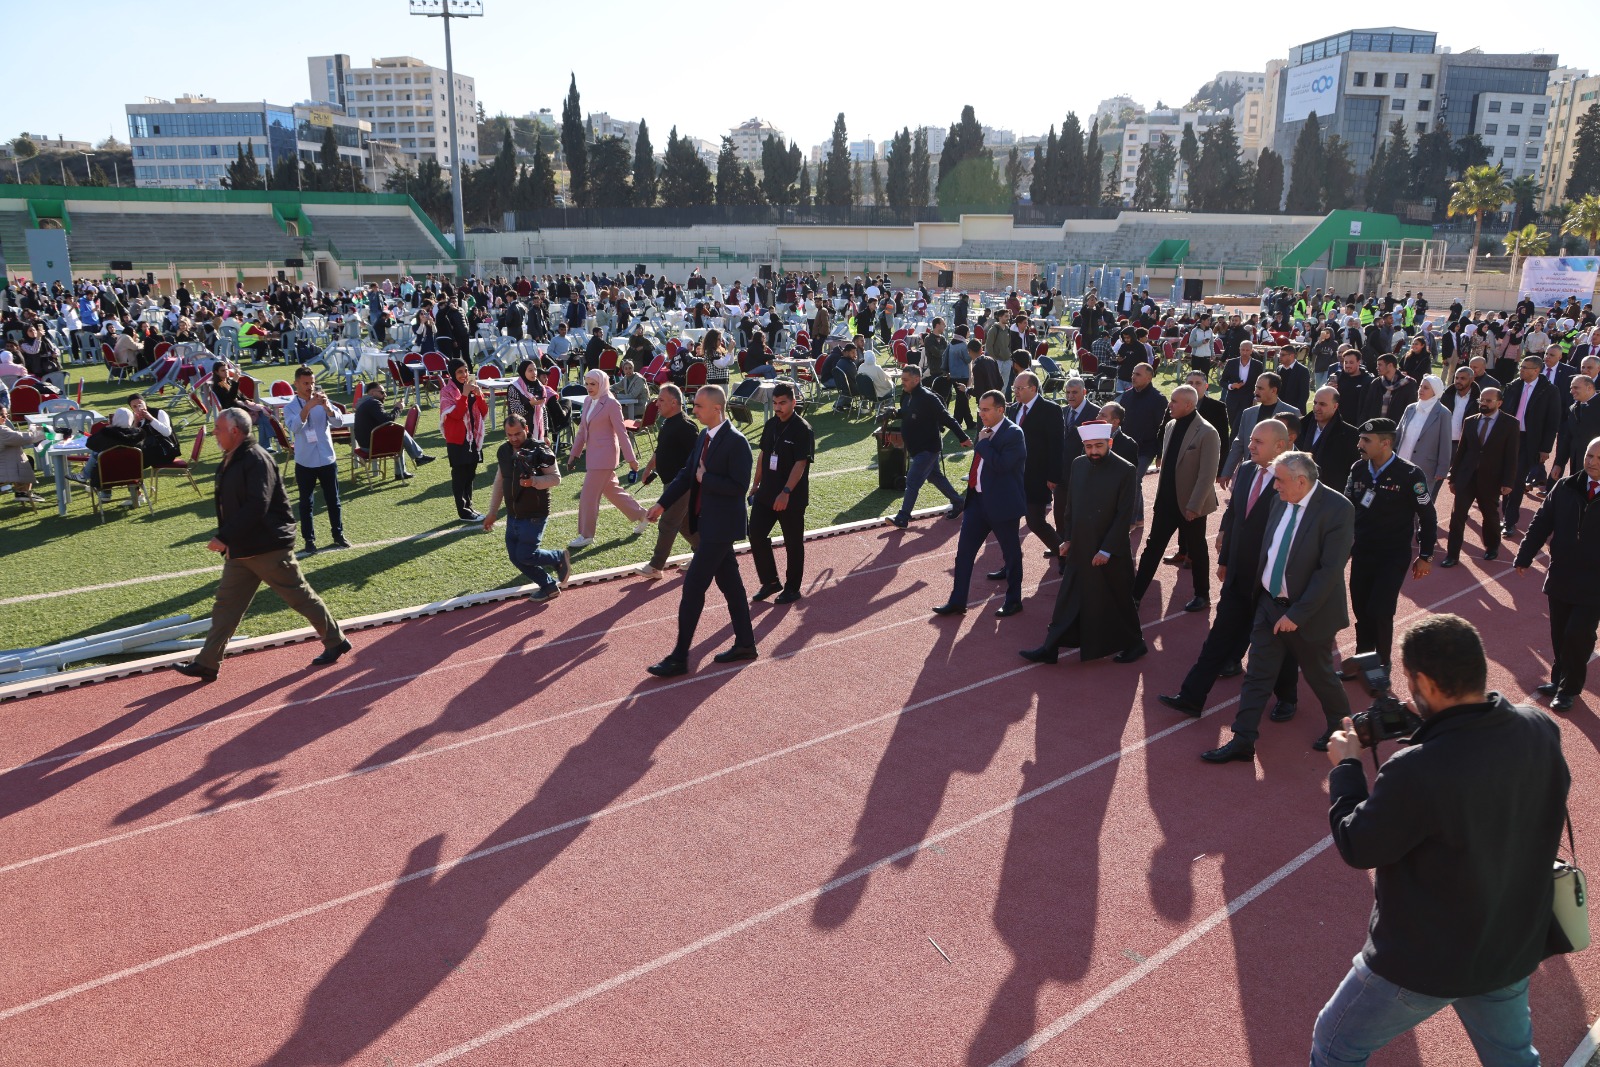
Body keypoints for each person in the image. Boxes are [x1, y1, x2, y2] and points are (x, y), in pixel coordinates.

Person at [1311, 615, 1569, 1066]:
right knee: (1514, 1059)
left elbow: (1359, 845)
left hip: (1424, 961)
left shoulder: (1417, 769)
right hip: (1510, 944)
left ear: (1425, 682)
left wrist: (1347, 768)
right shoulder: (1539, 728)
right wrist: (1433, 726)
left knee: (1335, 1044)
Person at [173, 409, 350, 683]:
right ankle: (207, 663)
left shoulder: (256, 459)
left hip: (267, 547)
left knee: (298, 596)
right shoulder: (233, 456)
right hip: (242, 550)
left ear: (235, 431)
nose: (214, 433)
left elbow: (258, 504)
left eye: (218, 428)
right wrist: (230, 538)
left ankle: (335, 640)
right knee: (226, 606)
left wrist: (225, 536)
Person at [1201, 452, 1355, 763]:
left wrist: (1296, 615)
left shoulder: (1338, 508)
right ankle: (1243, 739)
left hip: (1307, 614)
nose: (1275, 487)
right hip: (1269, 605)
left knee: (1320, 674)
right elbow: (1269, 549)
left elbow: (1330, 571)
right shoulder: (1280, 500)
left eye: (1280, 481)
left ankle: (1342, 730)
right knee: (1257, 675)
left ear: (1301, 481)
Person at [1159, 419, 1300, 718]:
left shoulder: (1297, 479)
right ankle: (1191, 696)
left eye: (1258, 442)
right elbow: (1236, 512)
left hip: (1273, 580)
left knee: (1278, 642)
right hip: (1239, 573)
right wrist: (1225, 560)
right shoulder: (1247, 469)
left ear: (1280, 445)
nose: (1250, 446)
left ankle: (1287, 698)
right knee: (1218, 637)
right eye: (1250, 440)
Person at [644, 385, 757, 677]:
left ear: (716, 409)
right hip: (706, 524)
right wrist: (661, 503)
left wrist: (707, 478)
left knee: (693, 587)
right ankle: (746, 643)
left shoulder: (737, 442)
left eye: (699, 406)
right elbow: (686, 475)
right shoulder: (703, 437)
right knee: (731, 586)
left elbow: (738, 487)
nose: (694, 410)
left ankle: (680, 657)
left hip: (721, 528)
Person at [1019, 420, 1145, 663]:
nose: (1093, 452)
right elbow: (1071, 507)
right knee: (1068, 596)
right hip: (1080, 545)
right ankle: (1051, 647)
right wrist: (1067, 539)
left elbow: (1124, 515)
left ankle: (1136, 644)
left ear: (1109, 443)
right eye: (1088, 447)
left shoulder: (1126, 470)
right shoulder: (1078, 464)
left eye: (1099, 446)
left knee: (1118, 600)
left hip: (1110, 550)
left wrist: (1106, 550)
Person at [1341, 418, 1437, 675]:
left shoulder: (1410, 474)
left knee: (1380, 611)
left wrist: (1426, 554)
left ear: (1385, 443)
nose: (1359, 444)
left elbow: (1427, 516)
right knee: (1361, 609)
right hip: (1362, 552)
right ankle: (1363, 662)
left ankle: (1381, 667)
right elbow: (1347, 507)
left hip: (1392, 555)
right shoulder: (1359, 468)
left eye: (1366, 440)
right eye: (1360, 438)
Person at [1514, 438, 1600, 711]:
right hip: (1562, 573)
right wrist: (1525, 555)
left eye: (1598, 458)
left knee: (1579, 633)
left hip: (1594, 582)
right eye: (1589, 455)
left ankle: (1569, 689)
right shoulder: (1565, 486)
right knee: (1560, 632)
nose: (1591, 462)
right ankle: (1559, 678)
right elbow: (1541, 521)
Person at [933, 390, 1027, 619]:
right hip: (977, 502)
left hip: (1003, 505)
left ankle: (1014, 600)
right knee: (964, 553)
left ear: (1000, 410)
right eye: (980, 409)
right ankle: (957, 601)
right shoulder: (984, 431)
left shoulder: (1014, 434)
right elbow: (980, 465)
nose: (981, 414)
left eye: (986, 410)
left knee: (1011, 555)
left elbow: (1003, 465)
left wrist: (982, 445)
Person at [1131, 386, 1220, 612]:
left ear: (1189, 405)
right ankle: (1135, 595)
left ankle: (1202, 595)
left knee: (1197, 549)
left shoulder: (1207, 432)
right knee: (1152, 548)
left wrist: (1194, 506)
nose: (1169, 405)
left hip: (1192, 505)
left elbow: (1207, 475)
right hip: (1166, 503)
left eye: (1174, 401)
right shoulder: (1170, 425)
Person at [482, 413, 570, 603]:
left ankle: (558, 557)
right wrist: (493, 512)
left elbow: (556, 478)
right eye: (509, 434)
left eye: (518, 434)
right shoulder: (503, 451)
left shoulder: (541, 450)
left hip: (534, 514)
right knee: (516, 557)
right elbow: (500, 481)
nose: (514, 438)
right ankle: (548, 586)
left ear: (526, 430)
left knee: (526, 555)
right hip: (513, 514)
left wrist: (534, 481)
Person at [567, 368, 650, 549]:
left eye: (593, 384)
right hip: (593, 457)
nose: (589, 387)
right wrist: (574, 454)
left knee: (588, 497)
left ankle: (586, 535)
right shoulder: (588, 401)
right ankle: (643, 515)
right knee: (613, 491)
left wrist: (631, 460)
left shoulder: (612, 404)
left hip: (604, 458)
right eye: (587, 383)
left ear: (602, 383)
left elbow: (622, 434)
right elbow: (582, 431)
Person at [747, 382, 813, 605]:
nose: (778, 407)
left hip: (791, 497)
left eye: (783, 403)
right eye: (775, 403)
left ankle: (792, 588)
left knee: (793, 543)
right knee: (755, 534)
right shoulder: (770, 425)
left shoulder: (803, 429)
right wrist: (756, 484)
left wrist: (785, 492)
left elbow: (800, 464)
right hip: (766, 492)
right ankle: (770, 581)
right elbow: (764, 456)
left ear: (794, 402)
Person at [1442, 387, 1518, 568]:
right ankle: (1452, 555)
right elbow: (1461, 452)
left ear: (1499, 403)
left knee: (1490, 516)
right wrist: (1453, 477)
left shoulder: (1510, 424)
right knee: (1457, 516)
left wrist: (1508, 482)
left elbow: (1511, 455)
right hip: (1466, 478)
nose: (1483, 403)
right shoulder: (1469, 421)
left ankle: (1492, 546)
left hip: (1491, 480)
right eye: (1481, 400)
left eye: (1488, 401)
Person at [890, 362, 972, 528]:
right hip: (918, 447)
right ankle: (959, 502)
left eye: (906, 379)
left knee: (912, 480)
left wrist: (962, 437)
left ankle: (903, 517)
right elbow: (906, 412)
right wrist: (893, 413)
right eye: (902, 379)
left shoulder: (928, 398)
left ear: (917, 379)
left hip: (927, 448)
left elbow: (948, 419)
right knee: (935, 476)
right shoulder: (908, 395)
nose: (902, 382)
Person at [637, 384, 700, 579]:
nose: (657, 404)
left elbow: (697, 458)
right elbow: (660, 449)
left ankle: (656, 566)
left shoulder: (687, 427)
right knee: (684, 525)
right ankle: (705, 554)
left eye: (661, 400)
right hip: (670, 484)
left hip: (682, 485)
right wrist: (648, 468)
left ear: (674, 402)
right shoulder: (666, 423)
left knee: (667, 522)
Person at [283, 365, 348, 551]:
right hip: (305, 462)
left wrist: (327, 407)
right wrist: (308, 408)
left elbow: (339, 422)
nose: (310, 387)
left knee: (333, 500)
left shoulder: (322, 401)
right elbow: (294, 428)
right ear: (296, 384)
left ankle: (338, 535)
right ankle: (309, 541)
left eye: (312, 383)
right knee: (306, 503)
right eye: (305, 383)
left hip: (327, 458)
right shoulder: (290, 408)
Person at [1002, 370, 1063, 563]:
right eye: (1015, 388)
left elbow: (1056, 445)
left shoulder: (1051, 410)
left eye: (1020, 388)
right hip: (1012, 476)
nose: (1016, 392)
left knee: (1035, 522)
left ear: (1033, 388)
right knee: (1008, 524)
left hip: (1036, 476)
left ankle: (1066, 556)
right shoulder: (1012, 409)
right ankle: (1009, 565)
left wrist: (1053, 475)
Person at [1499, 355, 1562, 537]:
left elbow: (1552, 422)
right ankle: (1505, 515)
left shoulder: (1549, 391)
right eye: (1521, 366)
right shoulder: (1513, 386)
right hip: (1509, 437)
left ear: (1536, 370)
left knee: (1517, 480)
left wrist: (1545, 449)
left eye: (1525, 367)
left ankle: (1509, 521)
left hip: (1529, 441)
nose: (1521, 370)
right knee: (1505, 476)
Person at [1220, 371, 1296, 485]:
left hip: (1278, 477)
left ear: (1274, 390)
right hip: (1250, 473)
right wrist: (1227, 471)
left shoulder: (1292, 413)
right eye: (1256, 387)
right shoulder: (1248, 413)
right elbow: (1239, 444)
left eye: (1260, 388)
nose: (1256, 392)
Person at [439, 357, 488, 523]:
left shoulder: (472, 387)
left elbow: (483, 411)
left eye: (466, 370)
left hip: (473, 438)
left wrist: (479, 395)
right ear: (452, 373)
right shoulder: (447, 392)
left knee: (470, 474)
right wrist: (465, 394)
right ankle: (463, 511)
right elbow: (456, 414)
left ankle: (470, 507)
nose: (464, 374)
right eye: (460, 371)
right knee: (460, 476)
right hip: (457, 440)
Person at [352, 382, 431, 479]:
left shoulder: (364, 403)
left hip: (364, 444)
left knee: (397, 434)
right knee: (398, 432)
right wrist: (398, 408)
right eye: (382, 392)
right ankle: (417, 458)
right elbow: (387, 420)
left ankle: (404, 470)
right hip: (371, 446)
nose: (385, 395)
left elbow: (382, 420)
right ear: (372, 393)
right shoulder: (373, 403)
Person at [1393, 374, 1453, 499]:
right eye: (1420, 386)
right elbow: (1398, 433)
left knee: (1417, 502)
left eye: (1426, 388)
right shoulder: (1410, 408)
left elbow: (1445, 444)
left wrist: (1442, 469)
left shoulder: (1443, 413)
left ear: (1435, 391)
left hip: (1425, 468)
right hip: (1401, 461)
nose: (1420, 390)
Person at [1304, 386, 1360, 496]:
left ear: (1335, 406)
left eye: (1322, 404)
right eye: (1315, 403)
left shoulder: (1351, 435)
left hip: (1331, 496)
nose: (1316, 408)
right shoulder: (1301, 427)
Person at [0, 398, 47, 506]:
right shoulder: (2, 431)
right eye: (3, 415)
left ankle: (22, 492)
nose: (6, 418)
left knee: (23, 459)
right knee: (25, 461)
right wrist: (43, 432)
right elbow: (25, 439)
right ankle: (24, 492)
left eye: (7, 415)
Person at [1553, 374, 1600, 478]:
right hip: (1577, 466)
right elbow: (1569, 438)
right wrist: (1559, 464)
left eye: (1576, 387)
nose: (1571, 391)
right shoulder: (1573, 409)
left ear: (1589, 388)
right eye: (1571, 388)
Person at [1220, 339, 1265, 435]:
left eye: (1247, 350)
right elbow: (1222, 381)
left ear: (1252, 350)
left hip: (1248, 399)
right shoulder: (1231, 363)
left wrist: (1257, 397)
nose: (1245, 352)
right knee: (1233, 425)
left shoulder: (1257, 365)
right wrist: (1231, 386)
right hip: (1232, 399)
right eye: (1243, 350)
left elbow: (1261, 384)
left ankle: (1235, 444)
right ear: (1239, 350)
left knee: (1240, 425)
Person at [1357, 353, 1419, 424]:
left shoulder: (1409, 384)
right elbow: (1367, 407)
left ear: (1390, 365)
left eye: (1380, 365)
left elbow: (1411, 409)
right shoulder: (1376, 383)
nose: (1377, 368)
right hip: (1376, 427)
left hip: (1396, 428)